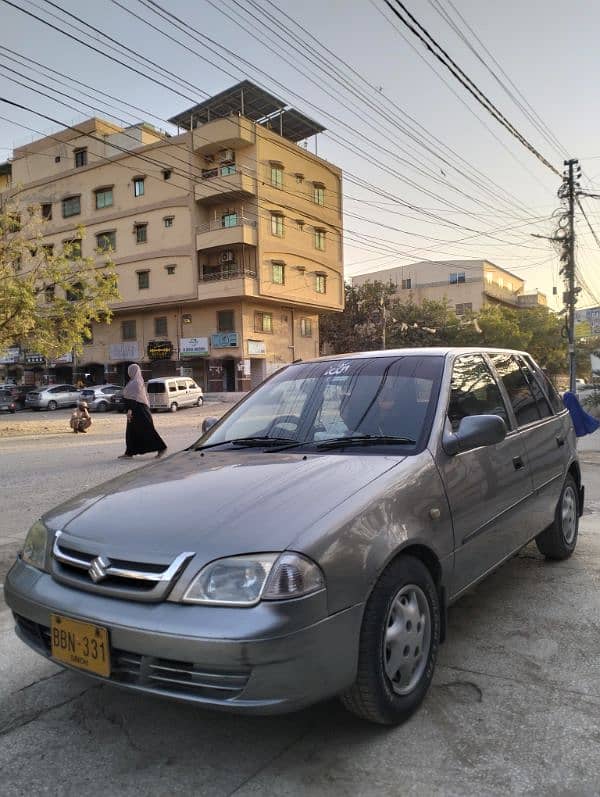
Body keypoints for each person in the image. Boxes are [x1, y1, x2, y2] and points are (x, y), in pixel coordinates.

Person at [118, 364, 167, 459]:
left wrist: (130, 410)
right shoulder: (133, 381)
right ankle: (129, 453)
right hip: (135, 410)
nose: (129, 372)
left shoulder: (136, 382)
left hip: (140, 410)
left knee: (147, 430)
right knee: (131, 432)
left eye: (130, 370)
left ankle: (162, 448)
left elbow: (135, 398)